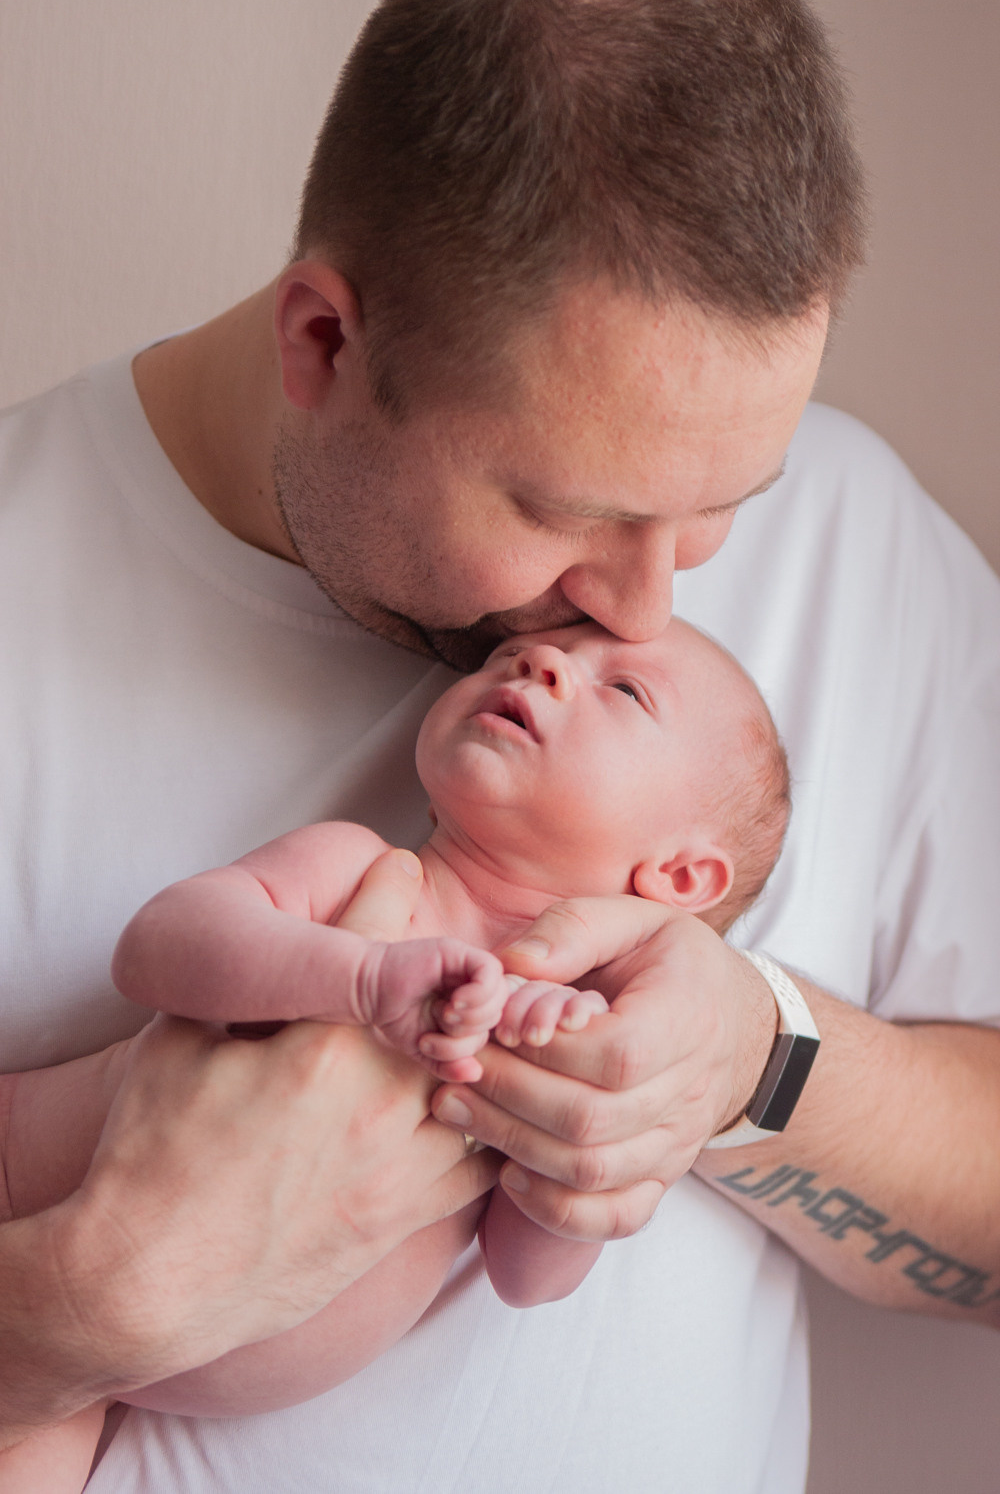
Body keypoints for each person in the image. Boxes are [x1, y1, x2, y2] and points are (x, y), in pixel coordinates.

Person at [1, 0, 997, 1491]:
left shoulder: (860, 550)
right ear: (325, 341)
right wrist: (68, 1315)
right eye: (566, 510)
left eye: (730, 499)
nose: (646, 605)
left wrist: (756, 1069)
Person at [1, 618, 790, 1488]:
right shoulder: (365, 877)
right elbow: (155, 948)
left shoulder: (583, 1050)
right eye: (506, 656)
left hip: (74, 1391)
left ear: (678, 877)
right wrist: (358, 979)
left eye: (625, 690)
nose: (543, 660)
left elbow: (524, 1279)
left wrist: (582, 1160)